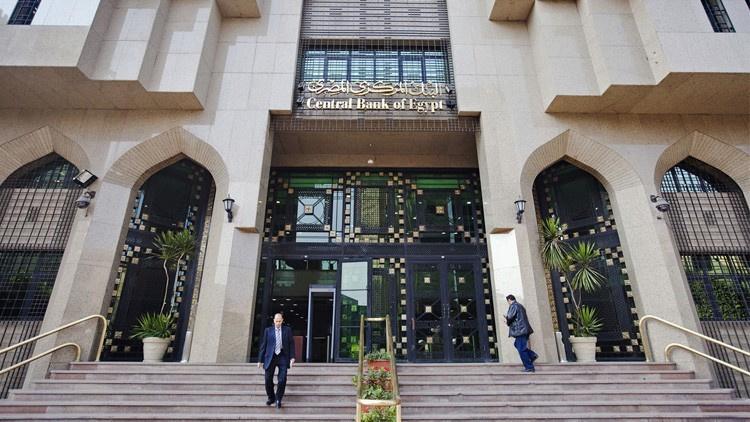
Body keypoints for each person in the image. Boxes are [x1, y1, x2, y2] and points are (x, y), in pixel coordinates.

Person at [257, 313, 296, 408]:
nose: (278, 323)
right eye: (276, 321)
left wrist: (292, 357)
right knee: (268, 379)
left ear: (282, 320)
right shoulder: (268, 330)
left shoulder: (287, 330)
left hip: (283, 356)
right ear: (274, 321)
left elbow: (291, 344)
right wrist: (260, 360)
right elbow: (264, 345)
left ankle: (278, 399)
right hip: (270, 356)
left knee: (282, 379)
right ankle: (271, 397)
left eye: (279, 321)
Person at [504, 294, 538, 372]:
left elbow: (510, 317)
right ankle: (532, 355)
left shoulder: (514, 306)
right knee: (517, 344)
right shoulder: (520, 306)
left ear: (509, 300)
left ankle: (529, 367)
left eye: (508, 301)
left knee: (521, 349)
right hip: (524, 330)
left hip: (520, 331)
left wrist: (506, 319)